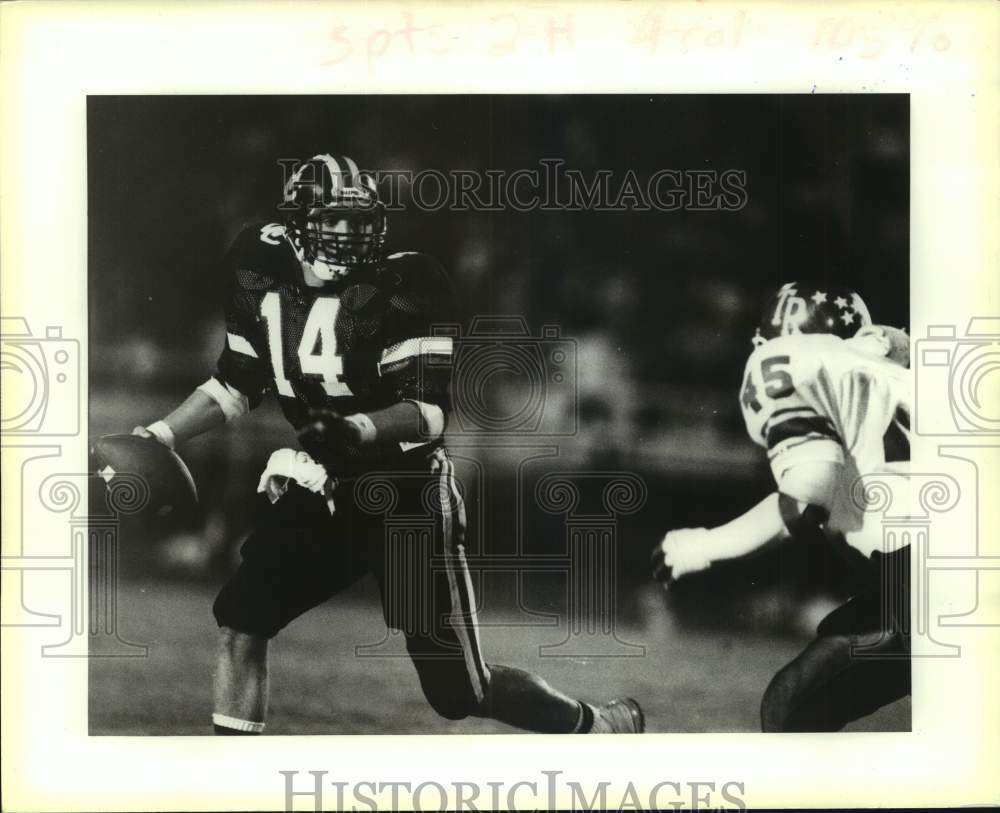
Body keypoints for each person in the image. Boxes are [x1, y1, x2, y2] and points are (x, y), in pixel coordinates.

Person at [135, 154, 644, 735]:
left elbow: (428, 414)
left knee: (459, 692)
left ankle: (599, 726)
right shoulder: (257, 267)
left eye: (360, 221)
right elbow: (234, 382)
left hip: (404, 495)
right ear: (297, 223)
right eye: (334, 220)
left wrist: (356, 428)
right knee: (239, 620)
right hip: (324, 486)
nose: (351, 234)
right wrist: (161, 433)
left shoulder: (406, 283)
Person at [652, 281, 912, 731]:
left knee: (790, 709)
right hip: (948, 566)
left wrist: (704, 545)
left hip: (934, 578)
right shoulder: (898, 372)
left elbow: (808, 496)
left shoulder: (791, 359)